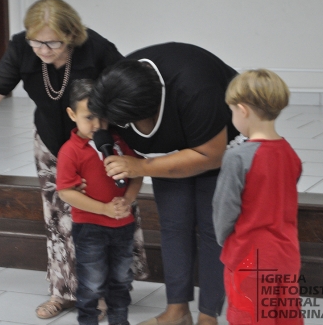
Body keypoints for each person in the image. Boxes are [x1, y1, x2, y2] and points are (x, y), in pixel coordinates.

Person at [0, 0, 148, 319]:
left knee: (107, 213)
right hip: (51, 142)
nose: (43, 50)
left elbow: (129, 89)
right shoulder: (21, 47)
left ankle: (104, 292)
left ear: (71, 35)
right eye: (37, 42)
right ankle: (63, 291)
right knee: (58, 218)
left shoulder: (96, 47)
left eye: (52, 43)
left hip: (99, 143)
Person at [89, 43, 241, 325]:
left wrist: (141, 166)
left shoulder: (196, 88)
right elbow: (100, 120)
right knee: (173, 226)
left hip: (219, 147)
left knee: (212, 230)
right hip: (164, 154)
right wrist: (108, 147)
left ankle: (209, 316)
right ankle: (177, 311)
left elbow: (211, 155)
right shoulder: (116, 83)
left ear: (151, 110)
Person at [212, 69, 303, 325]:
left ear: (242, 110)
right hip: (286, 257)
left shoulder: (238, 157)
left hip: (248, 259)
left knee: (249, 317)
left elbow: (224, 210)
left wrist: (223, 239)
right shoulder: (289, 153)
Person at [56, 79, 143, 325]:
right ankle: (88, 320)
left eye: (103, 117)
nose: (98, 125)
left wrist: (127, 199)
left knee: (121, 280)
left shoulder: (119, 144)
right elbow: (66, 191)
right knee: (92, 283)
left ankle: (119, 320)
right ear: (72, 114)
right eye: (89, 117)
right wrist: (104, 209)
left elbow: (136, 174)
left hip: (123, 226)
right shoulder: (70, 151)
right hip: (90, 228)